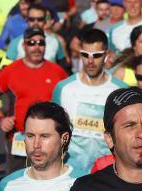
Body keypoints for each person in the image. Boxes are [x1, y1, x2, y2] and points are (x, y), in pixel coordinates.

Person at [0, 27, 68, 173]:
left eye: (41, 43)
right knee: (17, 181)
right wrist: (1, 119)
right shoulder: (9, 71)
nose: (36, 47)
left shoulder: (58, 72)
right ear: (24, 45)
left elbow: (68, 104)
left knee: (48, 181)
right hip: (19, 139)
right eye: (31, 43)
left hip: (49, 141)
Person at [51, 28, 126, 176]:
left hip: (108, 171)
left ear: (106, 55)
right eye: (85, 55)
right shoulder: (64, 88)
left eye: (96, 55)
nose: (90, 61)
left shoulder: (120, 90)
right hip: (71, 170)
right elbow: (52, 128)